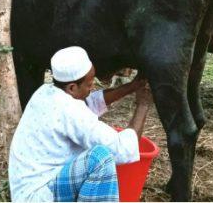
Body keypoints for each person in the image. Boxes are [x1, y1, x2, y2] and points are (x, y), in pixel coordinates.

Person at [8, 46, 153, 202]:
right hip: (39, 196)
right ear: (72, 87)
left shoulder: (46, 92)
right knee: (100, 159)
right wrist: (143, 105)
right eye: (90, 85)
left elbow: (89, 103)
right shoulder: (69, 111)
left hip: (29, 189)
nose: (92, 89)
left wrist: (132, 86)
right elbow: (122, 149)